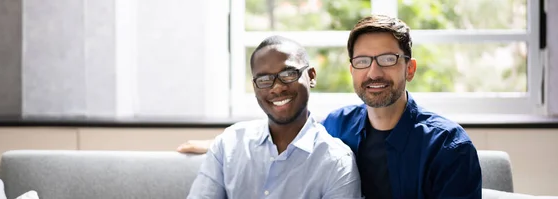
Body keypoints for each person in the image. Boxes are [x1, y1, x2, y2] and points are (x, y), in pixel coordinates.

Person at [180, 15, 482, 199]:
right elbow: (289, 131)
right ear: (352, 70)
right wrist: (220, 144)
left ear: (410, 69)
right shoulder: (340, 125)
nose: (374, 73)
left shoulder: (448, 147)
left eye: (388, 60)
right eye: (363, 61)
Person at [186, 36, 362, 199]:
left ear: (311, 76)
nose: (277, 88)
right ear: (254, 87)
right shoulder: (229, 144)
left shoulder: (337, 161)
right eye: (264, 79)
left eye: (288, 74)